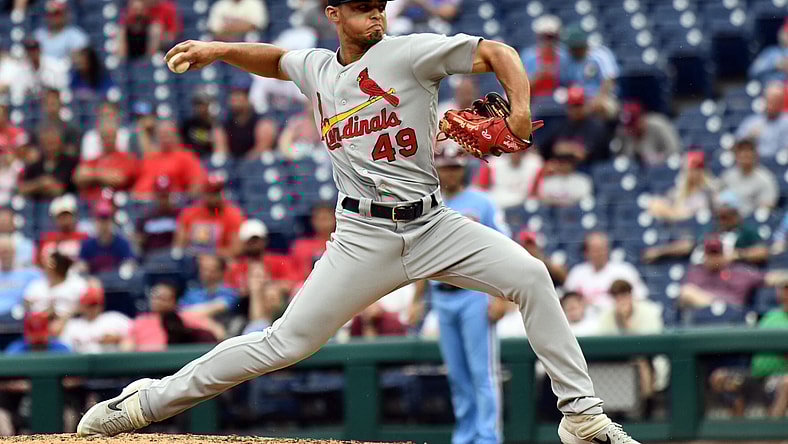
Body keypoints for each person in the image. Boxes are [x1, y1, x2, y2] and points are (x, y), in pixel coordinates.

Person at [79, 3, 641, 443]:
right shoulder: (318, 68)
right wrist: (221, 49)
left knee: (532, 276)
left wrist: (519, 110)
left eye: (379, 6)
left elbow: (499, 51)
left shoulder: (409, 52)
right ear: (334, 15)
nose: (375, 16)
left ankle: (582, 416)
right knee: (284, 343)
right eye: (361, 8)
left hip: (433, 225)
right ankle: (144, 404)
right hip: (362, 237)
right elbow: (277, 60)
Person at [409, 146, 507, 444]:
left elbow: (502, 250)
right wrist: (417, 299)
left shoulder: (481, 202)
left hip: (475, 294)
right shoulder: (429, 204)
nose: (450, 172)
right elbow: (422, 256)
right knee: (456, 374)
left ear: (463, 169)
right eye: (445, 167)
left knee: (482, 372)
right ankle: (465, 435)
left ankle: (487, 437)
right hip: (441, 295)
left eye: (455, 167)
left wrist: (500, 296)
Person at [643, 191, 769, 266]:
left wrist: (738, 254)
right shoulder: (713, 229)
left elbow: (762, 252)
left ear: (736, 214)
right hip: (701, 270)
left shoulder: (746, 231)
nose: (723, 219)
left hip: (728, 272)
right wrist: (660, 251)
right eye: (720, 216)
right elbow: (690, 245)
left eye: (727, 216)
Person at [679, 236, 787, 311]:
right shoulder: (696, 272)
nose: (714, 258)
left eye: (717, 254)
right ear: (704, 256)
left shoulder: (739, 271)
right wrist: (715, 304)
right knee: (687, 291)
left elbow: (769, 278)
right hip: (703, 317)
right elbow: (683, 298)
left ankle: (720, 307)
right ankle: (718, 306)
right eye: (710, 254)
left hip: (733, 316)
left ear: (724, 255)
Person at [122, 281, 223, 352]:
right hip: (145, 366)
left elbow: (218, 332)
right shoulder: (141, 321)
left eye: (162, 298)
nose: (157, 301)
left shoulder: (184, 317)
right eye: (154, 297)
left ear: (173, 301)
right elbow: (127, 346)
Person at [564, 232, 648, 308]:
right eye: (595, 250)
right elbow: (566, 302)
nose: (599, 253)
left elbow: (641, 297)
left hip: (615, 318)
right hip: (586, 319)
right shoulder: (577, 273)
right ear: (586, 252)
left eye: (602, 248)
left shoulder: (624, 270)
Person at [173, 175, 244, 258]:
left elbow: (236, 250)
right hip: (192, 260)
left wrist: (210, 254)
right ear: (204, 193)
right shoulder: (189, 213)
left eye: (218, 192)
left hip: (219, 261)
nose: (216, 197)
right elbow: (179, 246)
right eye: (212, 193)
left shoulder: (233, 215)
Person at [73, 115, 139, 202]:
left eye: (111, 136)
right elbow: (78, 177)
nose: (108, 140)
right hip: (91, 202)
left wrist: (92, 174)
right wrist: (103, 175)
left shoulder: (127, 158)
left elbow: (118, 179)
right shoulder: (94, 160)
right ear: (100, 138)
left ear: (116, 136)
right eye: (105, 136)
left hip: (115, 202)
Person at [132, 119, 207, 198]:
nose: (164, 138)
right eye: (161, 135)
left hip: (166, 202)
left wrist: (186, 200)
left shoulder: (185, 156)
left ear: (176, 136)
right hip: (138, 200)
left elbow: (199, 182)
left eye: (167, 135)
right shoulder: (150, 157)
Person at [540, 86, 610, 166]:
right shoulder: (559, 124)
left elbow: (583, 154)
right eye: (572, 106)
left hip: (587, 168)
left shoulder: (595, 125)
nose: (575, 110)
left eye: (578, 105)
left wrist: (565, 148)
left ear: (585, 105)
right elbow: (543, 147)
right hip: (558, 168)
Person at [225, 218, 296, 295]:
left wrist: (266, 284)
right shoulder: (236, 268)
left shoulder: (280, 262)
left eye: (256, 239)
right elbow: (228, 292)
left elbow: (290, 285)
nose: (253, 243)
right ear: (243, 242)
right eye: (249, 240)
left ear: (265, 240)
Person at [24, 251, 88, 334]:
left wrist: (64, 317)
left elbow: (85, 305)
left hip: (70, 324)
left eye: (52, 264)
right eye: (49, 264)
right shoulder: (36, 285)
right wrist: (45, 314)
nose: (49, 266)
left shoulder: (77, 284)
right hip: (38, 325)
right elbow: (26, 305)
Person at [750, 281, 788, 418]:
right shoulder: (770, 316)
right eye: (785, 290)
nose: (786, 295)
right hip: (758, 376)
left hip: (781, 376)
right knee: (720, 377)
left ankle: (773, 429)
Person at [647, 151, 718, 222]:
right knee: (655, 203)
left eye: (695, 169)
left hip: (690, 217)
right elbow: (674, 197)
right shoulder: (682, 182)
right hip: (679, 211)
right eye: (689, 170)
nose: (693, 173)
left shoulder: (707, 188)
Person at [59, 286, 132, 353]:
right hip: (82, 361)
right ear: (82, 306)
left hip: (109, 360)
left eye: (95, 304)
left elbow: (135, 333)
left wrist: (118, 338)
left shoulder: (114, 318)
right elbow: (64, 347)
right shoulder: (73, 325)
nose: (93, 308)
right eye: (90, 305)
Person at [17, 122, 79, 200]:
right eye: (46, 143)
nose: (50, 147)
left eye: (53, 143)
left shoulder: (71, 162)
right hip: (37, 203)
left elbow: (60, 190)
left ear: (61, 143)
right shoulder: (35, 164)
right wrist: (40, 183)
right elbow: (22, 188)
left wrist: (49, 185)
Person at [720, 138, 778, 217]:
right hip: (730, 219)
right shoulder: (728, 176)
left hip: (753, 221)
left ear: (755, 154)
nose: (745, 154)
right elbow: (719, 199)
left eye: (749, 150)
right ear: (736, 155)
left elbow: (768, 205)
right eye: (741, 150)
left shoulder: (765, 178)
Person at [75, 200, 136, 275]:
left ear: (111, 221)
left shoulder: (122, 243)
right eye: (100, 220)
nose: (103, 223)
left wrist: (126, 267)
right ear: (95, 221)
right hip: (94, 280)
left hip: (117, 280)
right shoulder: (87, 244)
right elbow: (81, 265)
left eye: (106, 219)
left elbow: (129, 262)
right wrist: (86, 274)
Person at [215, 87, 277, 158]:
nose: (235, 101)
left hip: (255, 160)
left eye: (238, 96)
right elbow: (221, 150)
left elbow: (261, 148)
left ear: (247, 99)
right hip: (231, 160)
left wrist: (245, 162)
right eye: (233, 96)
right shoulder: (224, 122)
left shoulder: (261, 121)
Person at [613, 102, 680, 167]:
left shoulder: (658, 125)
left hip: (662, 168)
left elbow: (675, 150)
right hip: (636, 172)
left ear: (641, 119)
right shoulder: (623, 132)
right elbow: (623, 158)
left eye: (633, 125)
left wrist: (659, 158)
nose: (631, 129)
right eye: (628, 127)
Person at [734, 82, 788, 158]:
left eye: (776, 101)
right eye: (769, 100)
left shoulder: (786, 122)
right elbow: (737, 146)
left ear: (781, 102)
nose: (772, 104)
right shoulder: (752, 122)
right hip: (755, 163)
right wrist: (749, 137)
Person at [521, 15, 568, 99]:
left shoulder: (563, 56)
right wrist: (539, 75)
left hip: (558, 98)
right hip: (533, 98)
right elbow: (522, 87)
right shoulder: (528, 56)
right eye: (545, 37)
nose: (548, 41)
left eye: (551, 37)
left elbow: (569, 82)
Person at [179, 254, 239, 319]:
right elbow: (180, 310)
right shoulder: (192, 290)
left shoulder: (229, 292)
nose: (206, 273)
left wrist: (186, 313)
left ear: (222, 272)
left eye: (212, 270)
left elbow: (210, 310)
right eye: (203, 269)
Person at [35, 194, 89, 265]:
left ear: (74, 216)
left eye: (67, 214)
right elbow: (38, 263)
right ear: (54, 218)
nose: (64, 218)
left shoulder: (84, 238)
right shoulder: (46, 238)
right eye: (60, 216)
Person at [288, 201, 336, 281]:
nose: (324, 223)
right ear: (313, 221)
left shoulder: (341, 244)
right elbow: (294, 273)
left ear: (335, 219)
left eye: (326, 218)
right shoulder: (301, 246)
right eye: (320, 219)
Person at [135, 175, 180, 256]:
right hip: (150, 256)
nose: (163, 200)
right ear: (155, 195)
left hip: (171, 257)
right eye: (160, 196)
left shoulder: (178, 214)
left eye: (165, 195)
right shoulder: (146, 215)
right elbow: (138, 240)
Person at [0, 236, 42, 320]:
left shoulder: (31, 273)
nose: (5, 255)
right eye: (2, 252)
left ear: (14, 252)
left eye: (7, 251)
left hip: (19, 317)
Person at [179, 91, 220, 158]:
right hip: (192, 159)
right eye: (197, 104)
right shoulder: (188, 125)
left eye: (202, 104)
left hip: (210, 158)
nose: (200, 108)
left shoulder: (216, 125)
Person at [748, 19, 788, 83]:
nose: (785, 36)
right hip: (771, 84)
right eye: (785, 33)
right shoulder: (771, 52)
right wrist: (774, 64)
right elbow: (753, 71)